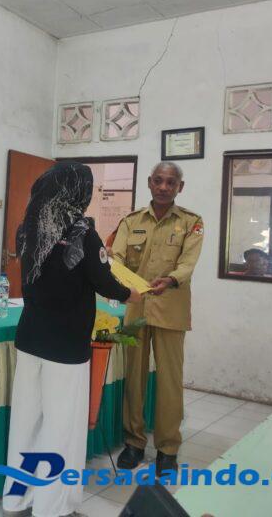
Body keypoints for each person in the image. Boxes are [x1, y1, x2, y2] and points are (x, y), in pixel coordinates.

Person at [4, 162, 140, 517]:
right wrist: (131, 294)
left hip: (30, 340)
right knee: (61, 429)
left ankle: (16, 500)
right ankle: (52, 509)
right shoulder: (82, 232)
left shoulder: (27, 227)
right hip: (65, 346)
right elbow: (104, 281)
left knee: (26, 422)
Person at [111, 162, 203, 475]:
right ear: (150, 183)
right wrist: (120, 280)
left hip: (171, 309)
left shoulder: (191, 222)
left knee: (169, 382)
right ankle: (134, 443)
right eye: (159, 181)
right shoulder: (131, 221)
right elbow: (117, 257)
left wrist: (172, 279)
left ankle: (168, 449)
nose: (164, 187)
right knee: (134, 379)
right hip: (136, 309)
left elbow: (188, 262)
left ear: (180, 187)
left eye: (171, 182)